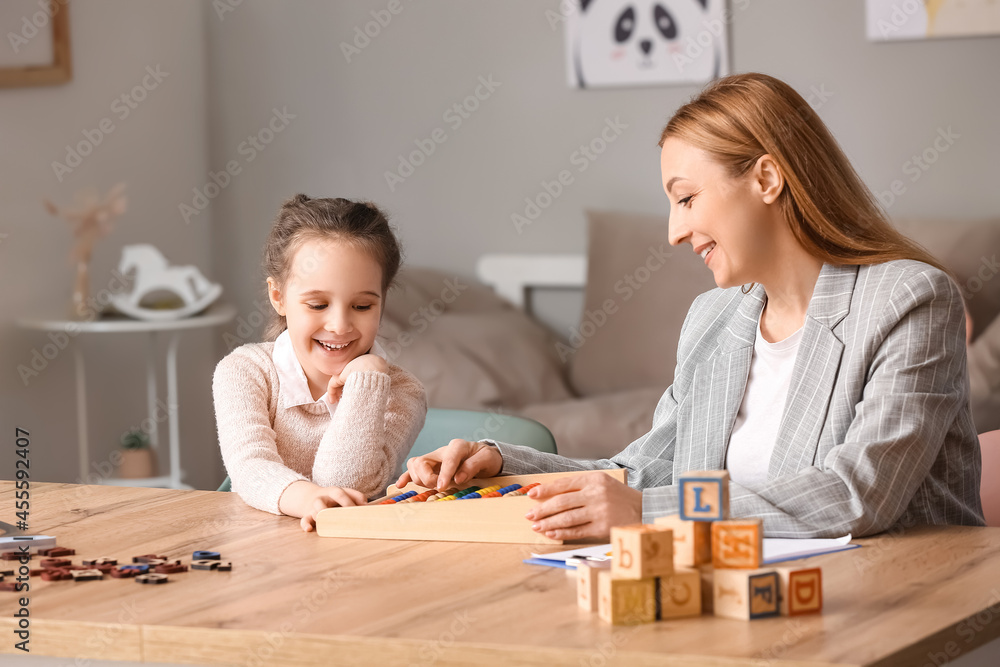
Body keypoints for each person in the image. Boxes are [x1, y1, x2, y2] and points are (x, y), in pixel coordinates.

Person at [398, 73, 985, 540]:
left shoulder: (910, 300)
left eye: (687, 198)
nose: (676, 232)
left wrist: (646, 513)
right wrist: (503, 465)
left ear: (767, 178)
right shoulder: (715, 318)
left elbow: (860, 494)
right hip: (747, 596)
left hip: (897, 608)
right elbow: (642, 473)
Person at [214, 194, 427, 531]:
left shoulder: (402, 391)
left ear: (383, 302)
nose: (340, 326)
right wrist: (310, 499)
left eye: (362, 307)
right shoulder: (245, 371)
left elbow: (348, 484)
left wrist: (365, 381)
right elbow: (250, 468)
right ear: (278, 297)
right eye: (317, 305)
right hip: (261, 556)